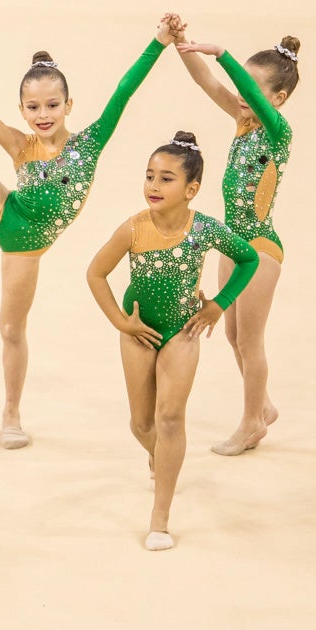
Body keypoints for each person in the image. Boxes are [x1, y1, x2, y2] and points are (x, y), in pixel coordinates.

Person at [0, 17, 179, 449]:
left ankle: (12, 410)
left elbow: (125, 89)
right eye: (32, 108)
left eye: (51, 105)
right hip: (6, 215)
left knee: (11, 328)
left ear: (68, 104)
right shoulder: (20, 145)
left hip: (26, 247)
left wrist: (159, 42)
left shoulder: (90, 143)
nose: (42, 115)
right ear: (22, 109)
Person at [86, 132, 259, 550]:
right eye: (149, 177)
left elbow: (248, 258)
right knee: (142, 424)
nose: (153, 186)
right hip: (138, 332)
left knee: (169, 419)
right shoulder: (133, 228)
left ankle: (160, 516)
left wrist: (219, 304)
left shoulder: (203, 229)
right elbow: (95, 273)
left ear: (191, 189)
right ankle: (160, 458)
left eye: (166, 179)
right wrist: (120, 323)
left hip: (183, 332)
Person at [174, 31, 299, 455]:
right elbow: (207, 82)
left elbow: (236, 85)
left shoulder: (277, 132)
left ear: (278, 98)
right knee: (230, 332)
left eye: (253, 89)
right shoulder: (243, 122)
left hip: (261, 245)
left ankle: (251, 424)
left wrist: (224, 54)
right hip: (234, 242)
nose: (242, 95)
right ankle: (261, 403)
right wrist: (181, 44)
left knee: (251, 339)